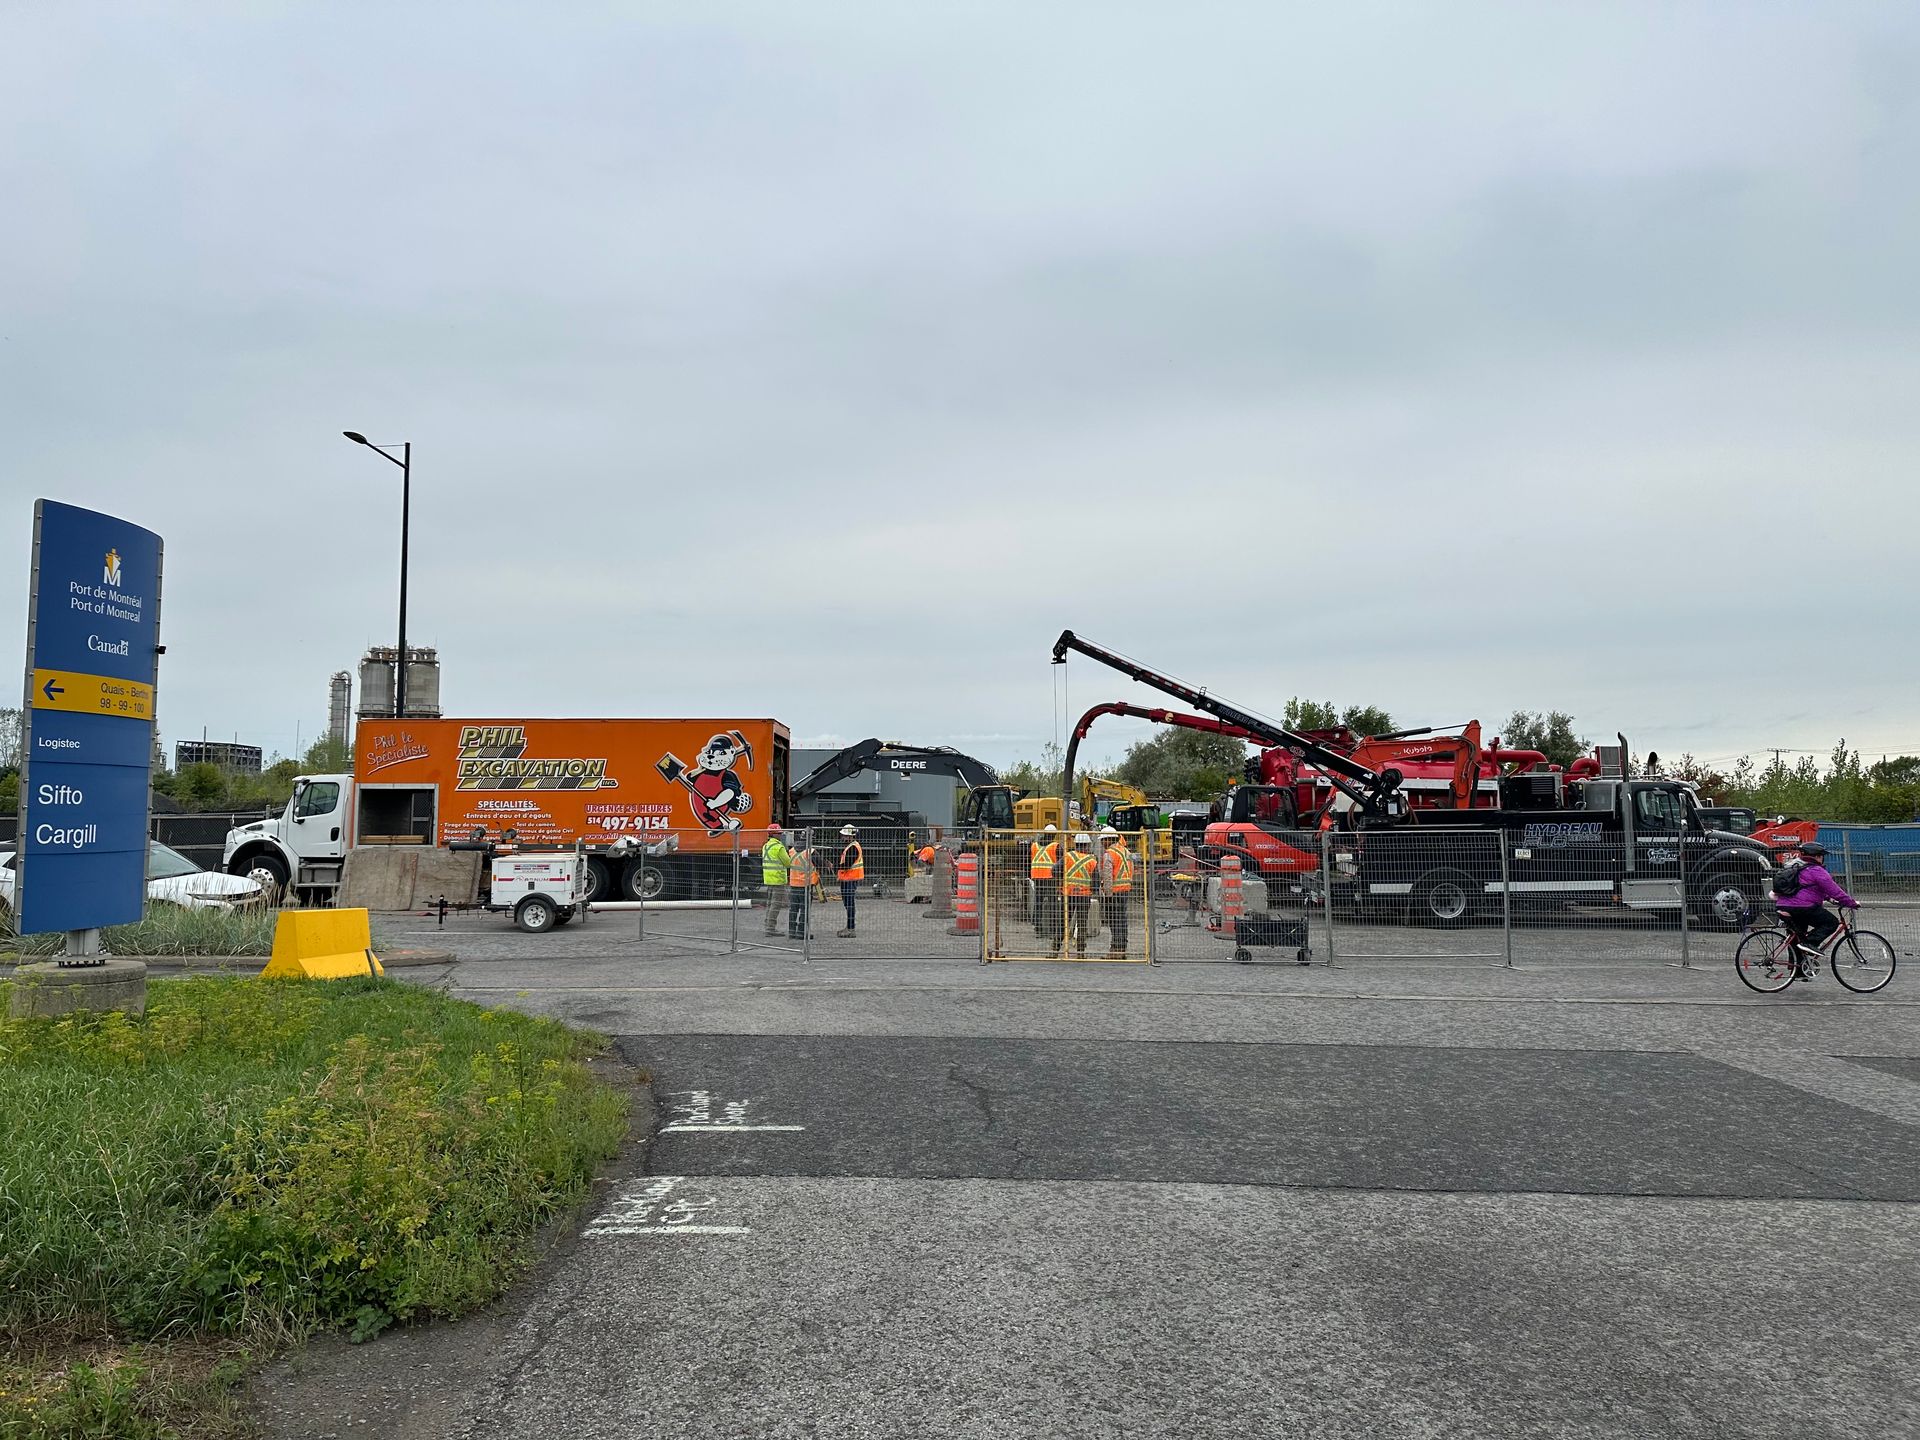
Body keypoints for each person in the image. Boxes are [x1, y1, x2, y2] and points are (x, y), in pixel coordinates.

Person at [1774, 839, 1858, 979]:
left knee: (1797, 938)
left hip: (1784, 905)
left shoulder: (1795, 867)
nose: (1822, 858)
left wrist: (1828, 898)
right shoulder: (1816, 870)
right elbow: (1835, 890)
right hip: (1802, 907)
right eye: (1821, 855)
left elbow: (1807, 889)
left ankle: (1799, 971)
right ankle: (1811, 943)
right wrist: (1851, 903)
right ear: (1817, 856)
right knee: (1830, 923)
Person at [1098, 824, 1134, 958]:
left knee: (1114, 921)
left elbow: (1107, 875)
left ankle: (1116, 950)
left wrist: (1107, 894)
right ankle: (1122, 949)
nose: (1102, 843)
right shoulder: (1126, 851)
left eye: (1102, 840)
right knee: (1122, 920)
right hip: (1125, 889)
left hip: (1114, 892)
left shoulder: (1109, 854)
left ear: (1108, 839)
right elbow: (1131, 870)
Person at [1061, 832, 1097, 957]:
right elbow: (1096, 880)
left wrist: (1060, 882)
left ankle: (1055, 949)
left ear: (1076, 844)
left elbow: (1055, 869)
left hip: (1068, 894)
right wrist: (1094, 890)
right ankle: (1080, 952)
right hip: (1084, 895)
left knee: (1063, 922)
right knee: (1082, 923)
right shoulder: (1091, 860)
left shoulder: (1067, 857)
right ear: (1087, 845)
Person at [1029, 822, 1060, 953]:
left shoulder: (1034, 845)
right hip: (1050, 877)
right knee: (1053, 903)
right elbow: (1060, 863)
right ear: (1053, 835)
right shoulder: (1055, 846)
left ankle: (1038, 928)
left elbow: (1030, 860)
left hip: (1037, 876)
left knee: (1038, 902)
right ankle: (1053, 930)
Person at [760, 824, 790, 936]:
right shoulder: (779, 847)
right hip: (778, 879)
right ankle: (770, 929)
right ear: (774, 834)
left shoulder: (766, 846)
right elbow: (788, 863)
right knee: (776, 904)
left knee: (770, 904)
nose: (781, 835)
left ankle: (767, 926)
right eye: (779, 833)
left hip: (768, 878)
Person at [835, 824, 864, 937]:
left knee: (849, 904)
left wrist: (835, 867)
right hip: (847, 879)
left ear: (850, 836)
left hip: (850, 879)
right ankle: (850, 927)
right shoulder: (851, 846)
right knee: (848, 904)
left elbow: (847, 864)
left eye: (844, 835)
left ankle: (851, 928)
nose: (842, 837)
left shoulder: (853, 847)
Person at [787, 841, 817, 941]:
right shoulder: (811, 852)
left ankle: (791, 932)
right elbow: (821, 863)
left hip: (793, 884)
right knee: (805, 910)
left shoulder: (791, 851)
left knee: (793, 909)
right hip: (805, 885)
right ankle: (801, 933)